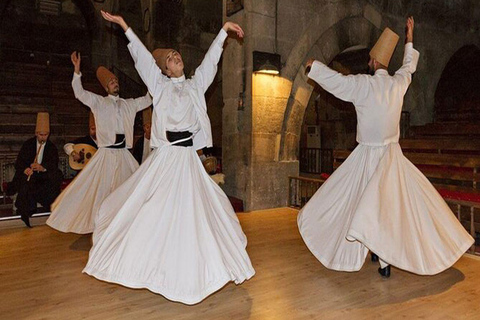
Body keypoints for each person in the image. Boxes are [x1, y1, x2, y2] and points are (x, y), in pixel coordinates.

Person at [83, 11, 254, 305]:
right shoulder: (159, 87)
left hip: (188, 158)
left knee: (200, 209)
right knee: (157, 210)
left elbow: (210, 62)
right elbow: (143, 61)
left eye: (178, 55)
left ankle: (192, 268)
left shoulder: (195, 85)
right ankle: (154, 261)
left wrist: (224, 30)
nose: (177, 57)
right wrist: (125, 27)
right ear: (165, 69)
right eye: (171, 57)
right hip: (167, 159)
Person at [297, 17, 474, 278]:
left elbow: (337, 83)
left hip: (368, 156)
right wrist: (410, 36)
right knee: (386, 208)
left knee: (360, 204)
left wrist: (315, 67)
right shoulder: (397, 84)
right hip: (392, 157)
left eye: (369, 59)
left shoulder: (363, 85)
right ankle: (381, 256)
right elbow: (409, 66)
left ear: (373, 62)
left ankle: (381, 258)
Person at [46, 53, 152, 234]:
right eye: (111, 82)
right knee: (98, 190)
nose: (115, 83)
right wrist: (77, 71)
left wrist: (152, 76)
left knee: (135, 186)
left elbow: (148, 99)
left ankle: (128, 226)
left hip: (124, 154)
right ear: (105, 87)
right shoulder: (99, 102)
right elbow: (79, 93)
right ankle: (101, 225)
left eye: (116, 81)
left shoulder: (129, 104)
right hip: (106, 154)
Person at [8, 112, 62, 227]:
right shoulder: (28, 144)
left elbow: (53, 165)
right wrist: (26, 169)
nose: (43, 137)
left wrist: (43, 168)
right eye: (41, 135)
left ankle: (53, 207)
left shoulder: (51, 147)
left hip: (42, 176)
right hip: (30, 175)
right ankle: (26, 212)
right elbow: (19, 163)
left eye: (46, 135)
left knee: (57, 175)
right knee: (26, 182)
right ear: (36, 133)